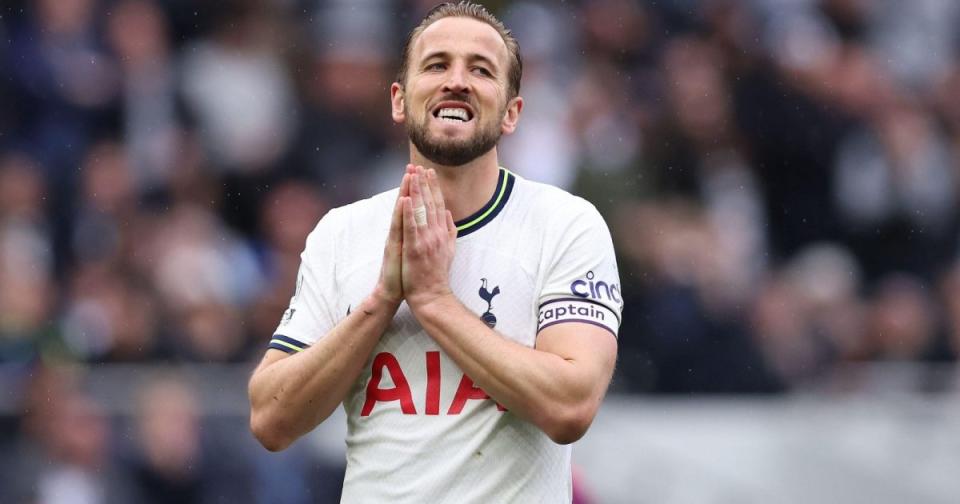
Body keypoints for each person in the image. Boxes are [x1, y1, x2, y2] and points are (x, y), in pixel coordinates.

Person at [248, 2, 621, 501]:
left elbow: (571, 407)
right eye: (437, 64)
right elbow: (271, 419)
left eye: (482, 70)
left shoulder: (565, 225)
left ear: (512, 113)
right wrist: (382, 299)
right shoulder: (341, 234)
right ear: (399, 100)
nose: (457, 81)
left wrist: (434, 302)